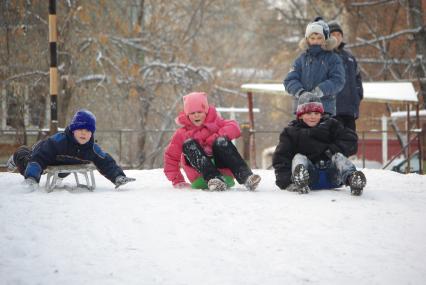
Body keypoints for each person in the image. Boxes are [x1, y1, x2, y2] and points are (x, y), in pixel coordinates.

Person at [6, 109, 135, 191]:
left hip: (62, 162)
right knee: (26, 164)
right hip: (41, 153)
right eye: (80, 129)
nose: (84, 133)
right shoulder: (58, 141)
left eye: (88, 130)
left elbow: (106, 162)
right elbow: (40, 157)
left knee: (66, 168)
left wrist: (118, 176)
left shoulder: (92, 148)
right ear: (73, 130)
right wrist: (32, 178)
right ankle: (18, 154)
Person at [272, 92, 367, 195]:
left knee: (338, 157)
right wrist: (286, 181)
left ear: (321, 114)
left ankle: (352, 179)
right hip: (310, 176)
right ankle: (300, 178)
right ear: (300, 115)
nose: (313, 117)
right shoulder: (291, 133)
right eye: (308, 113)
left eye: (316, 113)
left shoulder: (331, 125)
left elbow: (350, 140)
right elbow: (281, 158)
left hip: (333, 175)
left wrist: (331, 150)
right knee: (299, 157)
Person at [163, 92, 261, 191]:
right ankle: (213, 178)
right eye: (192, 113)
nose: (196, 115)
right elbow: (171, 157)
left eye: (200, 112)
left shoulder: (215, 123)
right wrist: (177, 180)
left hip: (224, 173)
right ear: (187, 115)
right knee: (189, 144)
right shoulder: (182, 133)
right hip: (201, 176)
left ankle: (246, 177)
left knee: (221, 141)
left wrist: (214, 138)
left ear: (206, 111)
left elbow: (234, 127)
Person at [284, 17, 345, 117]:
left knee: (322, 132)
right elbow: (289, 80)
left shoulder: (333, 59)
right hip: (302, 108)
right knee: (301, 133)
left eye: (319, 38)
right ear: (307, 40)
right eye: (312, 38)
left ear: (325, 39)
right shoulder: (301, 59)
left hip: (324, 109)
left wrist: (319, 90)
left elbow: (338, 80)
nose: (315, 41)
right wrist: (301, 92)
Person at [328, 20, 363, 131]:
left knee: (349, 143)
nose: (337, 37)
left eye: (339, 34)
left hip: (349, 111)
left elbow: (358, 79)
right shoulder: (323, 56)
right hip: (331, 111)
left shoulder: (350, 58)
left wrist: (358, 95)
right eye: (333, 35)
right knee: (333, 144)